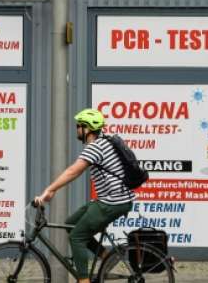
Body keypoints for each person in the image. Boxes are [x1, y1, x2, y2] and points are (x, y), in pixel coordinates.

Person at [34, 109, 135, 283]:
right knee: (70, 224)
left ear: (87, 129)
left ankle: (83, 280)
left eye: (78, 126)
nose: (76, 130)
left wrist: (49, 190)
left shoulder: (96, 147)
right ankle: (107, 256)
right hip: (111, 200)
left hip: (113, 202)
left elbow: (74, 171)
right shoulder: (104, 141)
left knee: (77, 237)